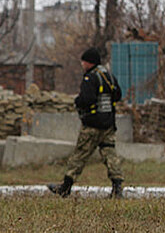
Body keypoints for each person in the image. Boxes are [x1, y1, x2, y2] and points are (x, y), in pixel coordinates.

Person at [48, 47, 124, 198]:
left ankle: (65, 187)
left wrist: (78, 101)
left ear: (89, 62)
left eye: (83, 61)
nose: (82, 64)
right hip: (108, 124)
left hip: (92, 126)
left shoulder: (90, 78)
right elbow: (118, 95)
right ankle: (117, 188)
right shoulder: (109, 76)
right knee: (110, 155)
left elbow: (86, 99)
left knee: (79, 155)